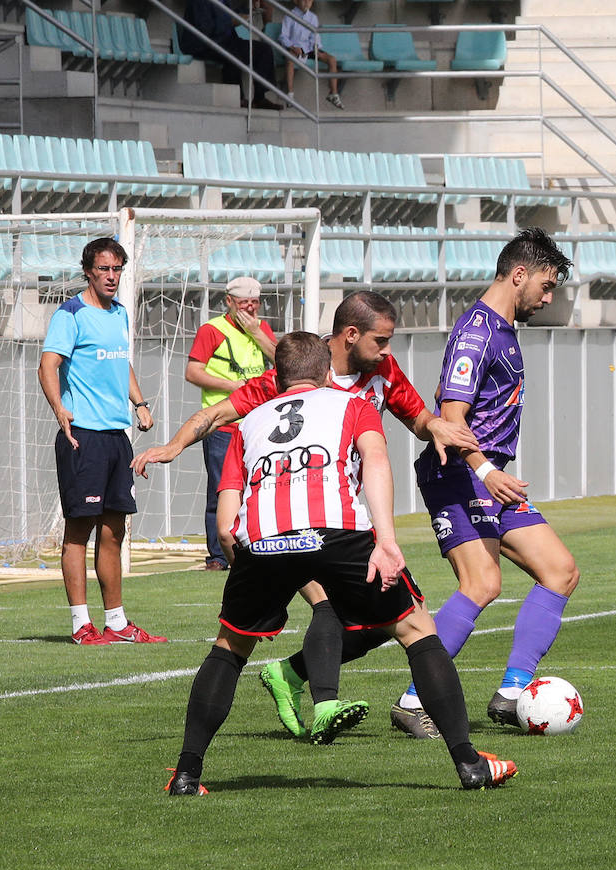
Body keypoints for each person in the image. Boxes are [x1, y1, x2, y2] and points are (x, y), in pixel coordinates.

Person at [164, 331, 517, 794]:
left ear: (278, 378)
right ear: (327, 372)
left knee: (230, 648)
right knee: (416, 629)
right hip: (337, 532)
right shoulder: (353, 404)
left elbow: (227, 524)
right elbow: (376, 462)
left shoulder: (248, 423)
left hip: (264, 542)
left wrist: (247, 566)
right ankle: (469, 764)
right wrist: (386, 541)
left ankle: (187, 774)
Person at [131, 290, 478, 734]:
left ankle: (290, 674)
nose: (387, 351)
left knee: (394, 616)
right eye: (380, 340)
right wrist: (172, 447)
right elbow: (218, 414)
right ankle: (327, 707)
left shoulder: (383, 371)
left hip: (344, 519)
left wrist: (437, 427)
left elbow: (416, 416)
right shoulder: (294, 376)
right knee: (336, 607)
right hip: (293, 519)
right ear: (350, 335)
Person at [392, 227, 580, 732]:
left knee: (560, 571)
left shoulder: (502, 329)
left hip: (487, 475)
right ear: (519, 274)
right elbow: (451, 417)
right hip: (462, 473)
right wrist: (485, 469)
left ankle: (513, 692)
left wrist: (491, 471)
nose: (548, 297)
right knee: (482, 583)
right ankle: (414, 700)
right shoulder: (477, 332)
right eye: (546, 285)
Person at [38, 238, 166, 645]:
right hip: (83, 438)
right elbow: (47, 366)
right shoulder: (70, 314)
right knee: (79, 530)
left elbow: (121, 362)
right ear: (88, 272)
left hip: (116, 438)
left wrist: (139, 403)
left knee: (114, 531)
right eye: (104, 269)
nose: (111, 276)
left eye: (117, 269)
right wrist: (60, 409)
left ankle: (117, 622)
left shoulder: (120, 313)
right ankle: (81, 624)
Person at [185, 276, 277, 571]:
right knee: (221, 489)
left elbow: (284, 361)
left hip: (257, 425)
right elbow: (193, 372)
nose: (249, 308)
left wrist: (257, 333)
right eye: (243, 303)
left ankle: (255, 546)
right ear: (229, 302)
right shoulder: (212, 330)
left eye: (254, 302)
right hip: (222, 425)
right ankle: (218, 555)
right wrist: (233, 386)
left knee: (258, 486)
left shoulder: (261, 328)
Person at [180, 0, 283, 110]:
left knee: (263, 50)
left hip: (224, 41)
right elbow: (205, 29)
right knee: (234, 54)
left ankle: (260, 98)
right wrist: (232, 21)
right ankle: (237, 98)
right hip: (204, 44)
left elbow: (228, 15)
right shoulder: (199, 2)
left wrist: (248, 9)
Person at [280, 0, 344, 109]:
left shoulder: (313, 17)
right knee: (290, 59)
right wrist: (292, 46)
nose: (307, 3)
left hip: (309, 48)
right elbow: (283, 36)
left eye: (309, 0)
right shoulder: (289, 15)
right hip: (295, 48)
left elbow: (315, 36)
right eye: (304, 0)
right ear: (296, 1)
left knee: (332, 59)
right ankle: (290, 94)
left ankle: (333, 93)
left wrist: (316, 47)